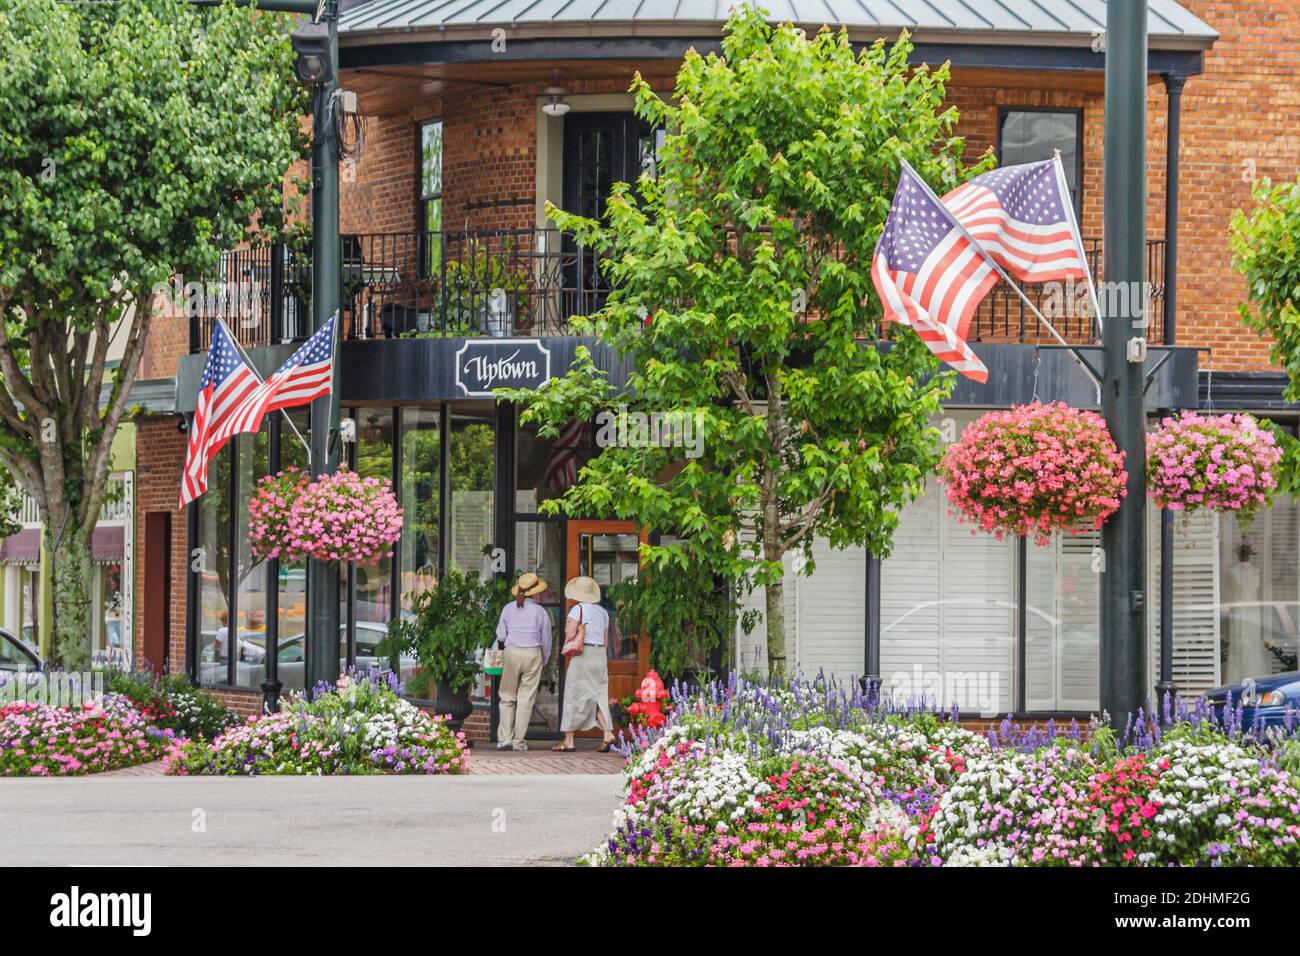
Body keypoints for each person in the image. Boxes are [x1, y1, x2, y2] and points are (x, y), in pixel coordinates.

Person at [554, 576, 616, 753]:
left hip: (583, 655)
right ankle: (607, 733)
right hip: (599, 655)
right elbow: (605, 641)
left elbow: (570, 632)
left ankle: (569, 740)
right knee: (598, 695)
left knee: (574, 694)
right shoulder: (603, 612)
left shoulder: (577, 609)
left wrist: (568, 624)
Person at [494, 571, 552, 751]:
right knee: (526, 699)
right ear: (536, 592)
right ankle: (519, 741)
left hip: (511, 652)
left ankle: (505, 738)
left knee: (506, 697)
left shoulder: (508, 608)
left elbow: (500, 636)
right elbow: (546, 640)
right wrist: (544, 659)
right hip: (533, 653)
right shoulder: (541, 611)